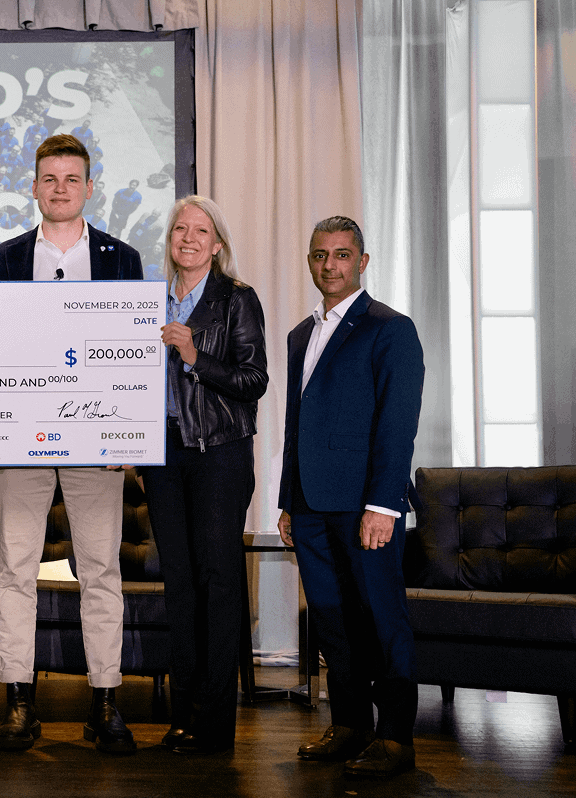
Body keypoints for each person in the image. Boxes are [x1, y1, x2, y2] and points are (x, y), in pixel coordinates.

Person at [0, 134, 143, 754]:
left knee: (100, 571)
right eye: (49, 178)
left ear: (89, 188)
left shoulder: (121, 259)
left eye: (71, 179)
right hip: (19, 442)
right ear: (34, 187)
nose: (59, 189)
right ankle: (19, 701)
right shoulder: (3, 258)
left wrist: (124, 427)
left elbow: (130, 352)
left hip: (94, 441)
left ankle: (105, 702)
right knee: (15, 572)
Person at [277, 216, 425, 777]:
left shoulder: (391, 329)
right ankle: (349, 726)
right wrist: (290, 500)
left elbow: (397, 424)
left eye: (341, 255)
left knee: (381, 619)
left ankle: (395, 740)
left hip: (367, 507)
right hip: (312, 508)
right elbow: (297, 423)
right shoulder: (300, 335)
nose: (329, 265)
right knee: (333, 621)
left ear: (362, 262)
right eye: (319, 255)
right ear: (310, 262)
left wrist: (385, 505)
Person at [135, 196, 268, 754]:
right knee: (180, 587)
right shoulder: (148, 300)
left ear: (218, 245)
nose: (187, 238)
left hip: (219, 455)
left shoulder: (236, 299)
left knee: (218, 585)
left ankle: (215, 724)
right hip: (164, 455)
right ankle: (184, 717)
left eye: (200, 231)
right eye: (179, 229)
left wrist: (194, 355)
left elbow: (253, 380)